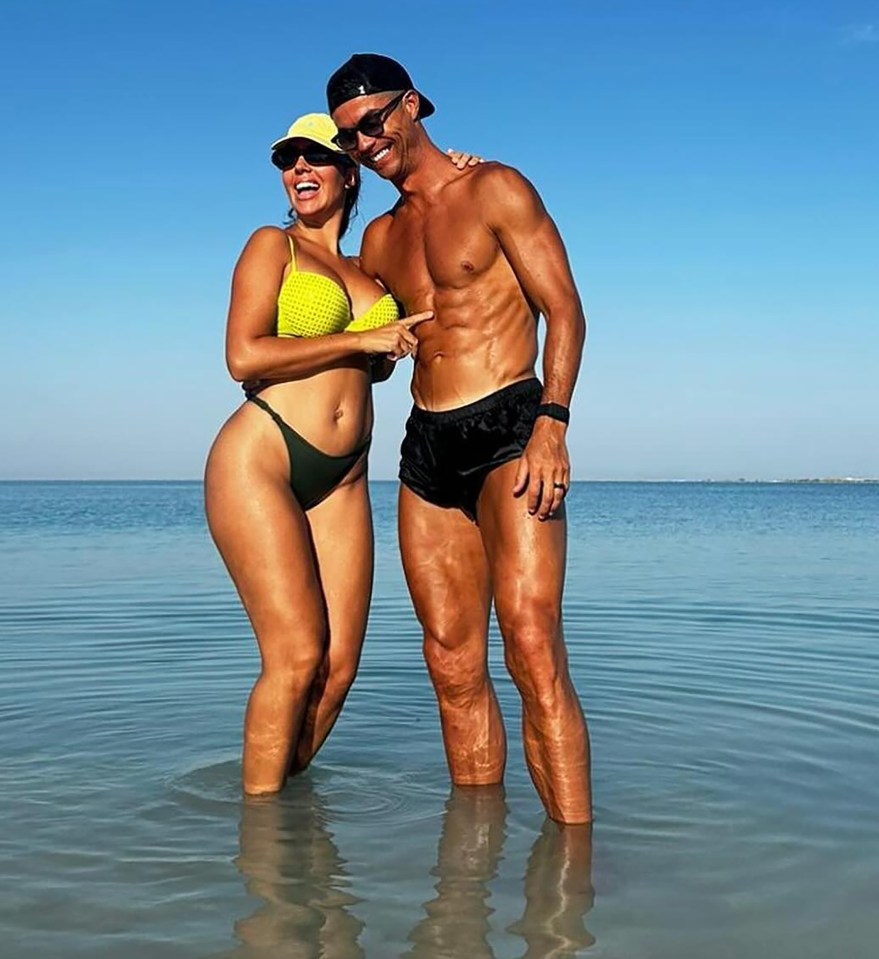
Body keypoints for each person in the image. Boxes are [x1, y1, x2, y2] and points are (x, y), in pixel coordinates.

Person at [327, 55, 593, 824]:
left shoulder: (494, 187)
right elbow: (373, 349)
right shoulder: (378, 239)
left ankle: (570, 877)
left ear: (411, 106)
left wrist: (552, 419)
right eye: (349, 138)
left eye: (372, 122)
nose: (364, 143)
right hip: (426, 446)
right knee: (449, 662)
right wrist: (372, 353)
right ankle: (470, 870)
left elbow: (565, 310)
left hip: (511, 424)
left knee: (533, 647)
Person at [204, 112, 433, 796]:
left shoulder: (372, 267)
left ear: (348, 172)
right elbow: (243, 354)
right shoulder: (273, 246)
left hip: (344, 480)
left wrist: (464, 169)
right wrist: (360, 341)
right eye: (288, 159)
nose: (299, 169)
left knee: (337, 668)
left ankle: (286, 825)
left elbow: (435, 225)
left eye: (315, 157)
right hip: (263, 457)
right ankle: (263, 847)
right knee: (296, 655)